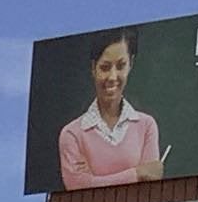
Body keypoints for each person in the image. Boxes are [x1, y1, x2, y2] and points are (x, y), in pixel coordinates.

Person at [58, 29, 166, 189]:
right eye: (105, 67)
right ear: (93, 68)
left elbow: (150, 182)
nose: (113, 77)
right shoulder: (72, 134)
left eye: (121, 66)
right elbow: (78, 187)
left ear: (131, 64)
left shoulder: (146, 126)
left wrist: (96, 181)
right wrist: (136, 173)